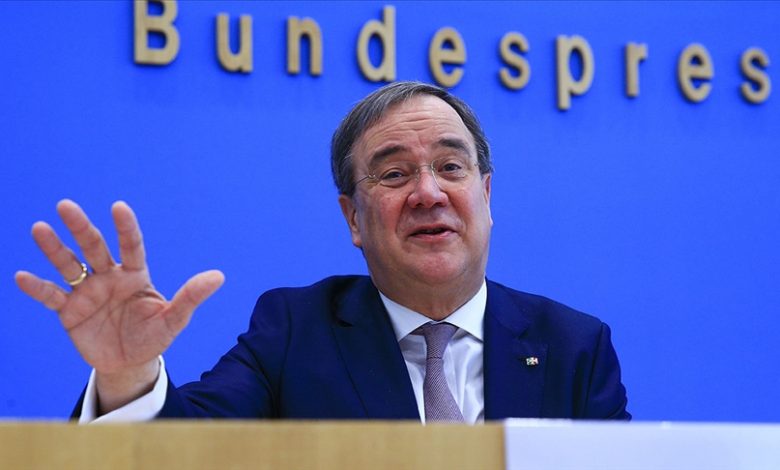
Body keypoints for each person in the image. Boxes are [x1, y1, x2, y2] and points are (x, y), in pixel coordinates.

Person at [15, 81, 630, 423]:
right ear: (353, 218)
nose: (428, 193)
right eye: (394, 175)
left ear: (486, 195)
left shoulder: (575, 347)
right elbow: (190, 448)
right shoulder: (295, 332)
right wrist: (127, 376)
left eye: (450, 167)